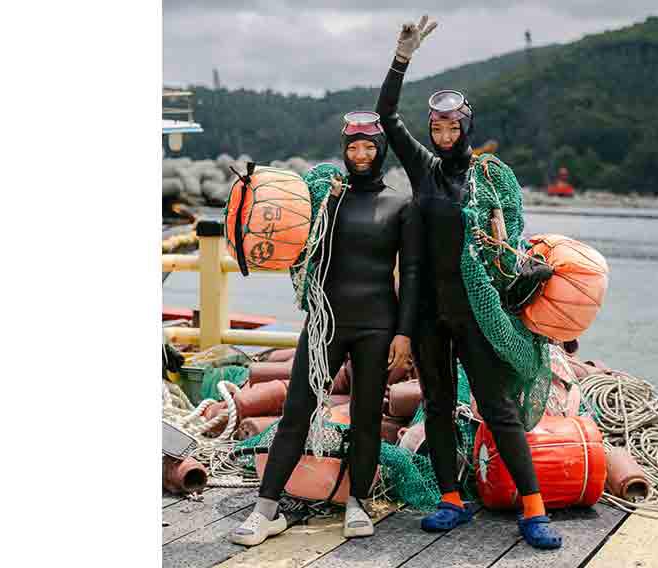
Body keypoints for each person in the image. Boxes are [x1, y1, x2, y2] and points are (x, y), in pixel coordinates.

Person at [375, 16, 563, 550]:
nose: (443, 135)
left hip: (477, 314)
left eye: (452, 128)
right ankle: (451, 500)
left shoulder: (484, 183)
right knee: (436, 404)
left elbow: (509, 261)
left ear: (467, 129)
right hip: (432, 313)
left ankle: (533, 508)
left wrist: (503, 239)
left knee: (497, 408)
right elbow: (387, 115)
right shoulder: (425, 171)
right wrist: (402, 57)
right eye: (436, 128)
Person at [230, 111, 421, 546]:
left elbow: (410, 273)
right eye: (352, 148)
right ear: (343, 150)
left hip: (378, 325)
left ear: (381, 150)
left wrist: (404, 334)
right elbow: (285, 233)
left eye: (368, 147)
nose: (359, 155)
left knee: (367, 415)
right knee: (297, 411)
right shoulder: (326, 201)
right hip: (325, 322)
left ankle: (358, 502)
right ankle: (266, 510)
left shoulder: (399, 205)